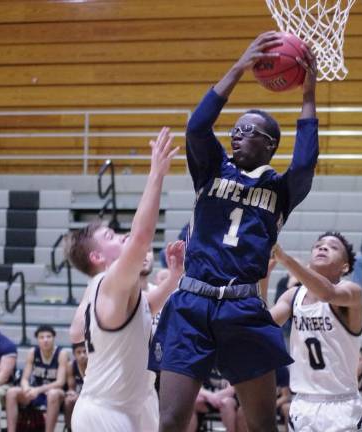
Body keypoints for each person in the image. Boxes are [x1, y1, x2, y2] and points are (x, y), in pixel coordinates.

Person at [149, 31, 319, 432]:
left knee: (261, 424)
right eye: (236, 129)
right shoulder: (211, 170)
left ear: (270, 145)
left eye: (249, 131)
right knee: (171, 419)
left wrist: (308, 96)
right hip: (191, 302)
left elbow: (307, 162)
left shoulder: (280, 190)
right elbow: (197, 125)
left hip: (242, 308)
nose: (236, 134)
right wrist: (240, 67)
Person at [65, 127, 183, 432]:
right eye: (110, 236)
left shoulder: (110, 290)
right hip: (105, 411)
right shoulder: (109, 281)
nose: (120, 237)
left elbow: (144, 307)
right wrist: (156, 174)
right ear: (97, 257)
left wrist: (172, 280)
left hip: (128, 407)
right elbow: (142, 237)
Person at [269, 233, 362, 431]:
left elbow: (327, 294)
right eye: (318, 245)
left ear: (345, 266)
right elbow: (264, 325)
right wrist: (263, 277)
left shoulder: (352, 292)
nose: (323, 248)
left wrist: (285, 259)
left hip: (342, 406)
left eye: (333, 247)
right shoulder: (293, 296)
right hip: (303, 406)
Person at [5, 325, 67, 432]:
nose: (45, 340)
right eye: (41, 337)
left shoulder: (62, 353)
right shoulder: (33, 352)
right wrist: (26, 388)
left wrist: (38, 390)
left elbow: (60, 382)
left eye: (48, 337)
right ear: (37, 340)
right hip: (36, 392)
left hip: (56, 393)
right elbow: (24, 378)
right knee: (11, 392)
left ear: (54, 338)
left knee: (52, 394)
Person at [63, 342, 87, 431]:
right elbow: (71, 388)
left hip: (94, 396)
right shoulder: (71, 366)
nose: (82, 355)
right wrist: (73, 394)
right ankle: (69, 428)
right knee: (68, 401)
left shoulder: (95, 365)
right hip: (79, 395)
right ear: (74, 354)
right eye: (79, 352)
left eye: (85, 352)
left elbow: (97, 390)